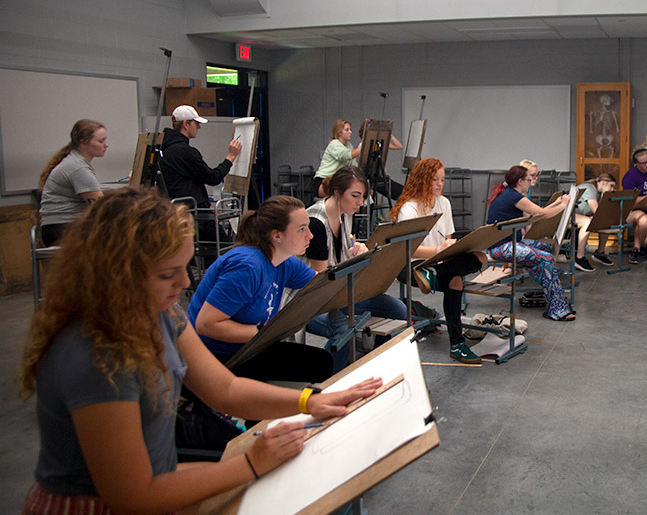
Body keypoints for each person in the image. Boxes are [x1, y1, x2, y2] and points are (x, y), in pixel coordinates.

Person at [16, 188, 381, 515]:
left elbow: (224, 389)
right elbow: (132, 497)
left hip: (155, 489)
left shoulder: (161, 312)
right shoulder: (95, 355)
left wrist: (310, 401)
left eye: (185, 268)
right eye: (167, 274)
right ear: (116, 275)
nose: (185, 284)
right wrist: (251, 464)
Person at [188, 195, 335, 383]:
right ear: (276, 235)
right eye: (301, 229)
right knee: (316, 365)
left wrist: (358, 260)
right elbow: (206, 324)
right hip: (214, 356)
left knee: (320, 362)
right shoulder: (247, 267)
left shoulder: (283, 262)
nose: (310, 235)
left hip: (248, 347)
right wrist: (263, 333)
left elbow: (324, 283)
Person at [304, 166, 408, 371]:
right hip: (313, 300)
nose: (361, 203)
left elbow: (343, 254)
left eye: (363, 197)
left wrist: (357, 248)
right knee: (345, 329)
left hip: (339, 292)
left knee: (397, 310)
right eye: (355, 196)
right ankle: (328, 380)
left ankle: (372, 365)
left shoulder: (344, 212)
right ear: (336, 192)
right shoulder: (315, 222)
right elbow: (321, 282)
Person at [390, 158, 486, 364]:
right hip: (410, 264)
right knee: (455, 280)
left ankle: (457, 345)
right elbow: (408, 249)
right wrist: (437, 250)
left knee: (480, 258)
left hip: (438, 263)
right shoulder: (410, 208)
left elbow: (449, 237)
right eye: (435, 179)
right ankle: (458, 344)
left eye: (442, 179)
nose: (440, 184)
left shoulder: (444, 203)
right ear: (422, 179)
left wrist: (450, 250)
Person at [486, 166, 575, 321]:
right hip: (500, 247)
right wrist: (564, 204)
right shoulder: (514, 197)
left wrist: (558, 203)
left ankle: (547, 291)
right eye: (529, 179)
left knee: (545, 248)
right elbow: (544, 215)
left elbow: (538, 212)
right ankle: (557, 309)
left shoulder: (512, 194)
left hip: (511, 242)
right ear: (520, 181)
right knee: (546, 258)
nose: (531, 182)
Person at [160, 105, 242, 250]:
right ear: (186, 124)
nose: (198, 127)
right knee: (225, 248)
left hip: (178, 212)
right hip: (194, 214)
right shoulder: (186, 152)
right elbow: (213, 177)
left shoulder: (165, 149)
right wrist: (231, 157)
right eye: (196, 123)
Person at [37, 119, 108, 246]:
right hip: (62, 230)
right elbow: (101, 207)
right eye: (100, 141)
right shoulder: (78, 168)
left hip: (58, 227)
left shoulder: (75, 161)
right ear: (83, 143)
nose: (106, 145)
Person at [314, 119, 403, 200]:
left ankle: (401, 193)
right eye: (347, 130)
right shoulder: (334, 144)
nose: (350, 132)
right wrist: (368, 142)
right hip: (324, 181)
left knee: (367, 186)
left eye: (350, 129)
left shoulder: (349, 146)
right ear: (339, 132)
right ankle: (402, 193)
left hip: (338, 180)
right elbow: (347, 155)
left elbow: (354, 166)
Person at [573, 172, 617, 270]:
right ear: (604, 183)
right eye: (611, 186)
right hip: (566, 215)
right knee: (588, 222)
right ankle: (579, 258)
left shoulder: (597, 192)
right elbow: (596, 210)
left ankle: (599, 252)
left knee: (604, 221)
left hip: (578, 215)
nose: (612, 190)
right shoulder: (590, 188)